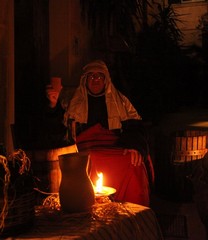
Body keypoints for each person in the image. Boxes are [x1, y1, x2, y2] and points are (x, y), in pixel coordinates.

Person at [45, 60, 154, 206]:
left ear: (106, 80)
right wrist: (53, 106)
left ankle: (133, 210)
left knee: (133, 161)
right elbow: (57, 130)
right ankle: (92, 205)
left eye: (99, 76)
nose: (95, 80)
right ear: (85, 80)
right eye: (91, 76)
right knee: (90, 159)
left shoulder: (120, 101)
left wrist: (134, 146)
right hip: (84, 146)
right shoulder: (72, 101)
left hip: (114, 145)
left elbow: (136, 126)